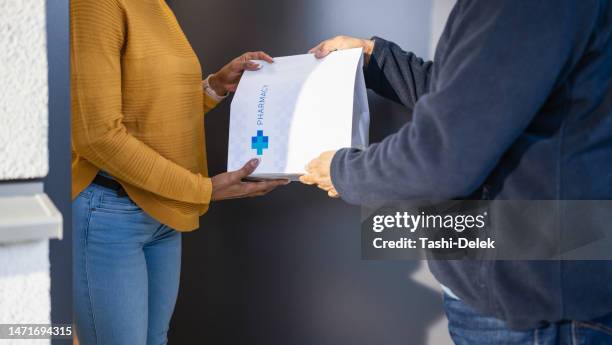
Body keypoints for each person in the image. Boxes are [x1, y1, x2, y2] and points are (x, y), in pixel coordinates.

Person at [301, 1, 612, 344]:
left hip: (535, 313)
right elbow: (477, 97)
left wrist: (343, 171)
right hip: (526, 297)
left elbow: (443, 152)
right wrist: (378, 61)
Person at [71, 0, 288, 344]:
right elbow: (97, 137)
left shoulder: (155, 5)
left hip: (164, 211)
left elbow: (150, 113)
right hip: (111, 215)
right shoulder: (95, 5)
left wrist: (214, 86)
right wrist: (202, 190)